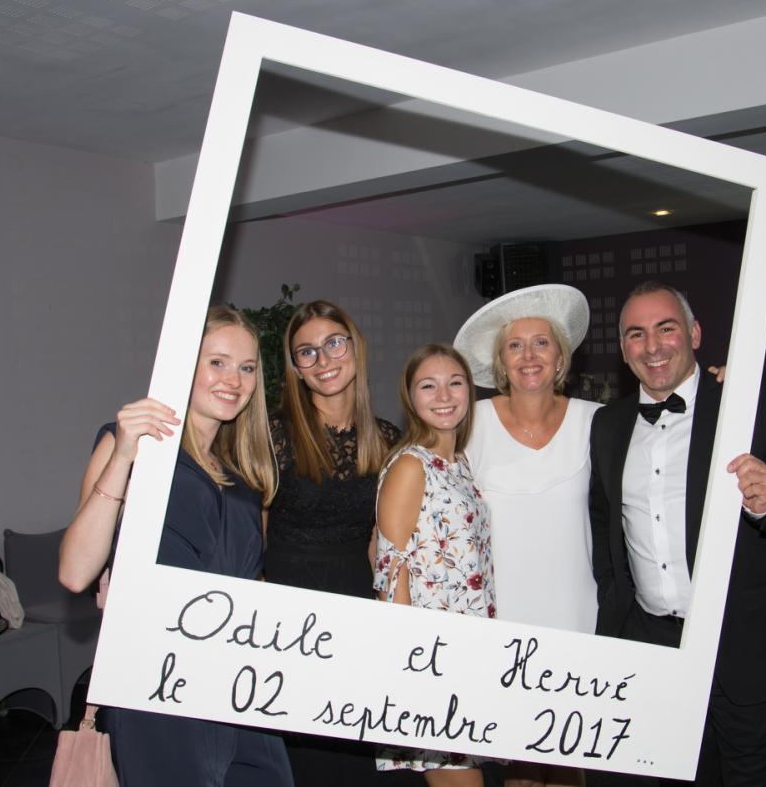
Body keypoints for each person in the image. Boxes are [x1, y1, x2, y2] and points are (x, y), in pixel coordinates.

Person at [588, 281, 766, 786]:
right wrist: (615, 615)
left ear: (695, 334)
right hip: (651, 648)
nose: (652, 346)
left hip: (743, 645)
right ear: (623, 349)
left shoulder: (748, 403)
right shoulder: (608, 425)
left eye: (666, 329)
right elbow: (604, 525)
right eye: (636, 334)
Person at [58, 305, 293, 787]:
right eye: (217, 362)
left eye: (247, 367)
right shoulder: (131, 446)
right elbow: (76, 572)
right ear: (183, 364)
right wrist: (123, 455)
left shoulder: (245, 477)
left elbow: (251, 584)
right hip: (159, 687)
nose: (234, 380)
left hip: (240, 686)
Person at [262, 299, 416, 786]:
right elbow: (252, 530)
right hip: (289, 610)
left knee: (358, 750)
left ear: (356, 348)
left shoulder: (386, 437)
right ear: (295, 368)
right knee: (309, 760)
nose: (323, 360)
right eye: (306, 352)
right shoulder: (273, 434)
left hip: (356, 603)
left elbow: (381, 540)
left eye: (334, 343)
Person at [453, 284, 596, 787]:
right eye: (515, 345)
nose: (529, 356)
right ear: (501, 362)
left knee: (570, 757)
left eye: (541, 343)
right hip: (501, 620)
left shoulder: (596, 422)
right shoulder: (468, 424)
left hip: (576, 615)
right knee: (519, 765)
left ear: (560, 357)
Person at [374, 343, 494, 786]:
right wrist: (416, 669)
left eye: (455, 383)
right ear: (410, 396)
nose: (444, 395)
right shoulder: (411, 464)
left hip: (467, 653)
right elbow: (389, 569)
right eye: (429, 385)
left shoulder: (459, 464)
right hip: (432, 661)